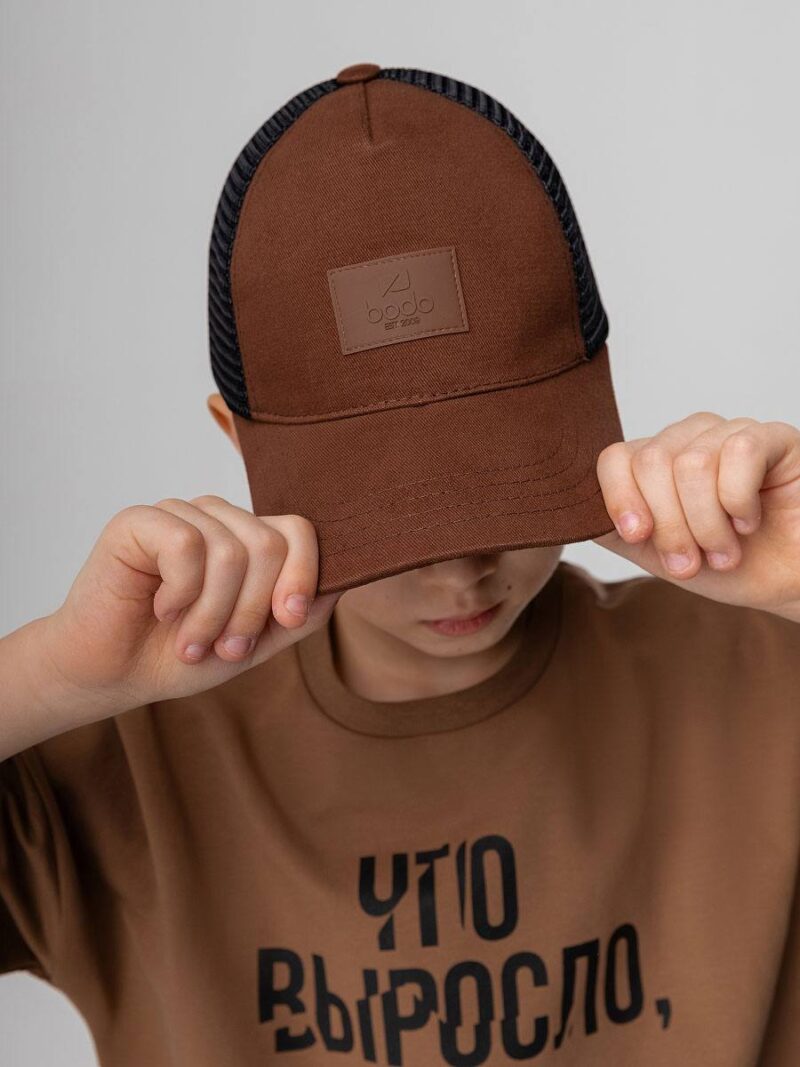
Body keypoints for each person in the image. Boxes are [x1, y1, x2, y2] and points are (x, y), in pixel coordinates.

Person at [2, 62, 799, 1067]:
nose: (459, 575)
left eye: (504, 495)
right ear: (237, 444)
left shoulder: (758, 673)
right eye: (393, 523)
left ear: (597, 397)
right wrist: (54, 670)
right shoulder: (121, 761)